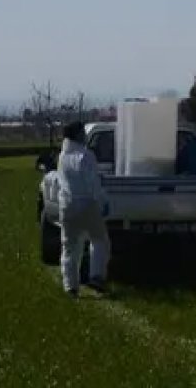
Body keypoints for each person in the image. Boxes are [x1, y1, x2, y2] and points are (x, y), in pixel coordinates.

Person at [55, 121, 111, 297]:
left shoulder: (63, 156)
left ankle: (70, 286)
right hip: (86, 204)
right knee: (99, 240)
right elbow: (93, 183)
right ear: (78, 135)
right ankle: (96, 276)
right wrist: (103, 201)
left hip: (67, 206)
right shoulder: (86, 156)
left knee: (70, 247)